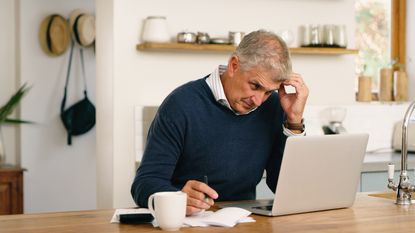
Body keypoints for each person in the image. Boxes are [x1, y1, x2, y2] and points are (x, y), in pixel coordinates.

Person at [131, 30, 309, 215]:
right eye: (255, 86)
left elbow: (288, 189)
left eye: (267, 92)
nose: (258, 100)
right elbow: (144, 183)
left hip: (245, 224)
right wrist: (177, 197)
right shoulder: (181, 104)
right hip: (188, 223)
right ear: (233, 65)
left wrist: (294, 121)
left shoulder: (272, 106)